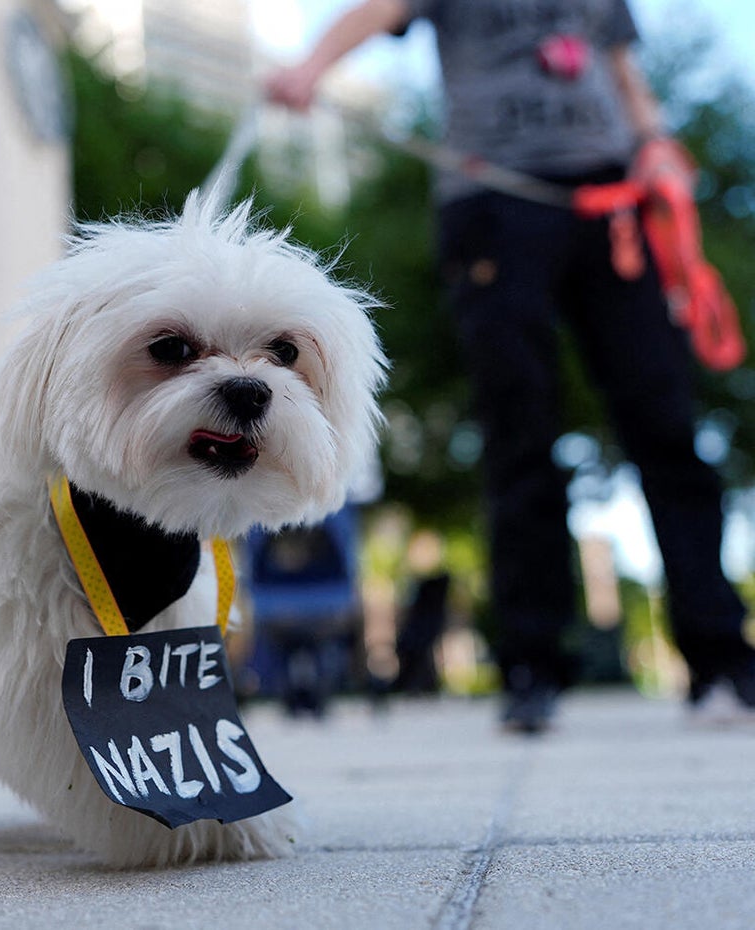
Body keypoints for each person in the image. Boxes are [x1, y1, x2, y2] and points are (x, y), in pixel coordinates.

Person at [266, 0, 755, 732]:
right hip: (495, 199)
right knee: (518, 427)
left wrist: (654, 140)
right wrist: (308, 70)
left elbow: (623, 72)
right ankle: (531, 662)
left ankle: (720, 658)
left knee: (665, 422)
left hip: (612, 202)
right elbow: (379, 10)